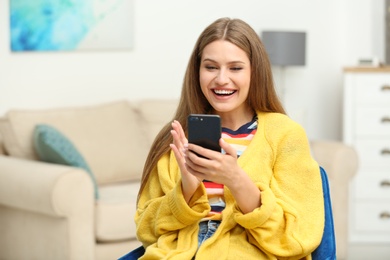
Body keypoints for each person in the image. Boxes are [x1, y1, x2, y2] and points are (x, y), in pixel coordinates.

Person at [133, 17, 324, 259]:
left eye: (235, 68)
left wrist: (236, 180)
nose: (221, 79)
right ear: (197, 71)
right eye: (211, 67)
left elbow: (299, 238)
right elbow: (145, 230)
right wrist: (186, 190)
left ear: (255, 72)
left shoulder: (285, 135)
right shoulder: (176, 138)